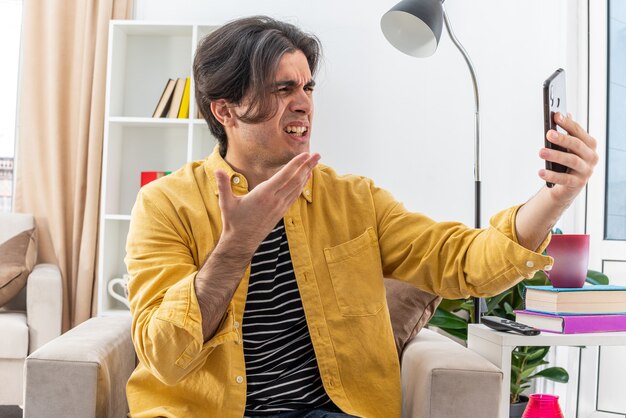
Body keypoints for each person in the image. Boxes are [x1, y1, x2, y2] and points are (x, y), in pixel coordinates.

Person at [124, 16, 598, 418]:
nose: (304, 101)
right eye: (283, 88)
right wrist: (235, 247)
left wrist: (555, 195)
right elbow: (165, 356)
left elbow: (462, 260)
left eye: (307, 86)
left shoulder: (353, 199)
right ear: (225, 110)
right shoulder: (164, 204)